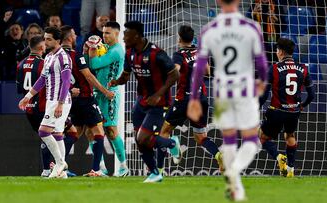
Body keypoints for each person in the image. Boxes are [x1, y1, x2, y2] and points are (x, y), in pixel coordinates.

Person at [188, 0, 268, 201]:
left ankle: (236, 186)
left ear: (218, 2)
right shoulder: (251, 27)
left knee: (229, 139)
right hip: (244, 87)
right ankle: (236, 171)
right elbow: (261, 62)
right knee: (251, 139)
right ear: (239, 1)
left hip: (222, 90)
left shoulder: (209, 29)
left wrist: (194, 97)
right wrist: (263, 80)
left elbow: (199, 67)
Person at [109, 21, 180, 183]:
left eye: (126, 34)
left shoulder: (157, 53)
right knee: (140, 141)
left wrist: (158, 94)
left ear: (137, 36)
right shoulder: (129, 53)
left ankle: (170, 143)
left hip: (159, 103)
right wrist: (116, 81)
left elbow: (174, 75)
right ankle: (155, 173)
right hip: (141, 102)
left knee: (143, 139)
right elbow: (126, 76)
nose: (124, 37)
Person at [156, 25, 224, 174]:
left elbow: (175, 72)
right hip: (201, 99)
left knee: (164, 132)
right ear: (192, 38)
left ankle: (159, 170)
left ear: (179, 38)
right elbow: (207, 71)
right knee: (200, 137)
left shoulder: (179, 54)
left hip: (184, 100)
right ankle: (218, 155)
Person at [18, 26, 72, 178]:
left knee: (43, 131)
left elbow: (66, 81)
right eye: (45, 38)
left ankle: (60, 163)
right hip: (51, 100)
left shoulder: (63, 57)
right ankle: (63, 172)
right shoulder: (48, 57)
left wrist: (60, 103)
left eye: (49, 39)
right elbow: (42, 80)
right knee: (58, 134)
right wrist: (28, 96)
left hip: (59, 101)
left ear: (58, 41)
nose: (46, 42)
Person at [60, 25, 113, 177]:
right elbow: (88, 76)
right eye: (74, 34)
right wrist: (105, 91)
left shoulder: (57, 56)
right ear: (69, 38)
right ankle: (96, 169)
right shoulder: (76, 56)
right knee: (98, 132)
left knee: (75, 133)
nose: (76, 36)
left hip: (72, 100)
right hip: (85, 98)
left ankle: (58, 164)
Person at [259, 38, 315, 178]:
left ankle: (279, 157)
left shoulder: (274, 68)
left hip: (277, 110)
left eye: (277, 50)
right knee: (289, 136)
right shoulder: (303, 68)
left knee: (262, 138)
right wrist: (302, 106)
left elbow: (265, 94)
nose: (276, 53)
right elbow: (311, 95)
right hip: (294, 111)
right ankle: (290, 169)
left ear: (282, 52)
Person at [87, 21, 129, 177]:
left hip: (109, 94)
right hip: (97, 93)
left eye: (108, 33)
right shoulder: (106, 48)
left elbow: (95, 64)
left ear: (117, 34)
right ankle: (101, 168)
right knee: (91, 132)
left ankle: (123, 167)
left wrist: (92, 51)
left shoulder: (117, 51)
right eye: (103, 32)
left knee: (111, 131)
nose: (104, 36)